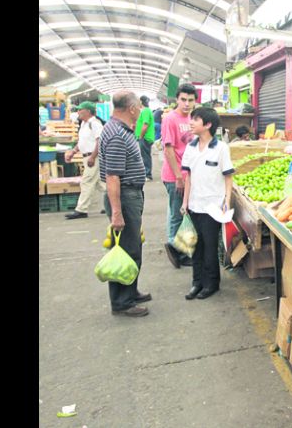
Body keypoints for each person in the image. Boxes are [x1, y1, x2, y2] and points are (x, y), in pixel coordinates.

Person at [99, 90, 151, 317]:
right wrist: (117, 213)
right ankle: (122, 302)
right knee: (127, 249)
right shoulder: (117, 135)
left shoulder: (118, 129)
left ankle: (130, 290)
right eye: (138, 107)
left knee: (132, 246)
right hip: (124, 197)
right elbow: (112, 177)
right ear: (131, 108)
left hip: (131, 195)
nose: (140, 111)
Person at [180, 108, 234, 299]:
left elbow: (228, 177)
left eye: (196, 119)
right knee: (195, 246)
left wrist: (226, 202)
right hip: (194, 204)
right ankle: (197, 283)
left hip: (213, 207)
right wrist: (184, 202)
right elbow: (188, 177)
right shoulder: (191, 147)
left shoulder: (221, 148)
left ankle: (211, 284)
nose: (191, 122)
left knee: (210, 247)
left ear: (208, 125)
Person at [162, 84, 197, 268]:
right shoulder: (170, 119)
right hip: (175, 175)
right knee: (177, 213)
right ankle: (176, 252)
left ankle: (178, 247)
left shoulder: (192, 118)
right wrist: (178, 177)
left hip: (188, 175)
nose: (186, 103)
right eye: (183, 99)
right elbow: (168, 149)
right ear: (177, 99)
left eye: (190, 100)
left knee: (179, 211)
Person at [64, 102, 106, 220]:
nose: (78, 112)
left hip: (93, 157)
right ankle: (115, 203)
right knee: (100, 184)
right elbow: (82, 142)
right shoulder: (83, 124)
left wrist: (92, 157)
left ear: (88, 111)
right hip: (87, 157)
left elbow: (100, 141)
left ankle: (81, 209)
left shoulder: (95, 124)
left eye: (80, 109)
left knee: (87, 182)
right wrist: (73, 152)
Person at [135, 95, 156, 180]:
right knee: (145, 156)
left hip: (145, 137)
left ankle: (147, 174)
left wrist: (141, 136)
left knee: (145, 156)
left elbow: (145, 124)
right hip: (145, 137)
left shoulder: (145, 111)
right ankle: (146, 173)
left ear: (140, 101)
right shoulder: (145, 111)